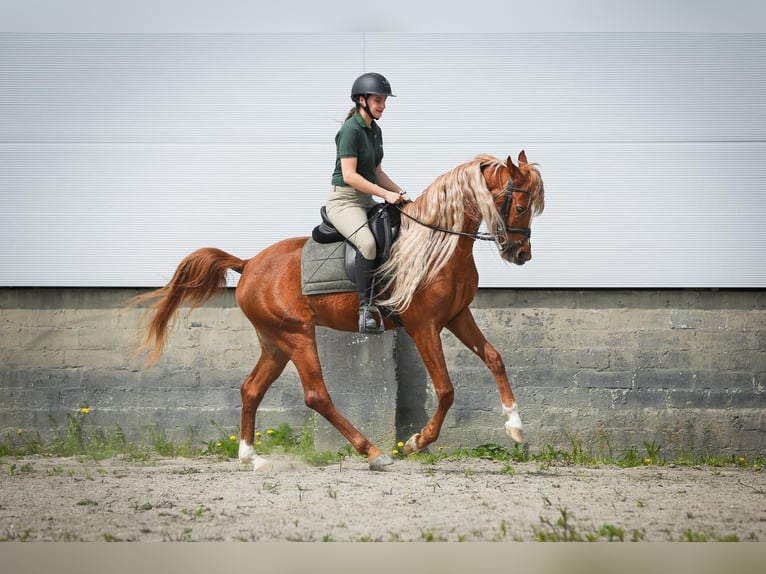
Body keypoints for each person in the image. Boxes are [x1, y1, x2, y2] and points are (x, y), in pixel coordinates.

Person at [326, 72, 410, 333]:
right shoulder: (350, 130)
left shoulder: (375, 130)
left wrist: (401, 192)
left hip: (366, 199)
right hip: (344, 202)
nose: (382, 106)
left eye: (384, 101)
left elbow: (376, 171)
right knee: (368, 243)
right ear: (361, 100)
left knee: (398, 233)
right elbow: (350, 176)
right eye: (377, 100)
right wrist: (385, 195)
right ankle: (365, 310)